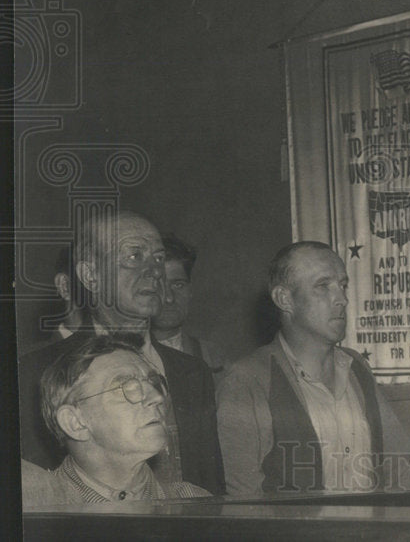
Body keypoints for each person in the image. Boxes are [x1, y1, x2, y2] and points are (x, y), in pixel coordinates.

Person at [19, 210, 225, 495]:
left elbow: (210, 487)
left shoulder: (192, 371)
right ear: (90, 276)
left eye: (159, 258)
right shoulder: (34, 370)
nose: (155, 271)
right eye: (133, 256)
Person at [217, 241, 386, 495]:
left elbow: (396, 467)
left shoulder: (357, 368)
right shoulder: (248, 379)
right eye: (322, 286)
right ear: (284, 299)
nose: (342, 299)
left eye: (343, 285)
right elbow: (243, 497)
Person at [21, 335, 211, 506]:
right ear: (75, 423)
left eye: (153, 383)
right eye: (126, 387)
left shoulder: (196, 504)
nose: (157, 397)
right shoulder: (34, 508)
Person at [151, 234, 227, 385]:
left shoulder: (214, 358)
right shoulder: (121, 357)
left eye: (178, 285)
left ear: (190, 290)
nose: (169, 298)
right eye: (159, 286)